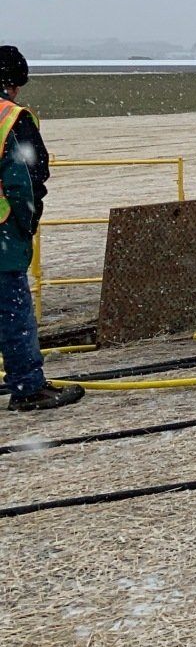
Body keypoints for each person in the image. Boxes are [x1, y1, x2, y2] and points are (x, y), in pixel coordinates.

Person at [1, 46, 84, 411]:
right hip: (3, 234)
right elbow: (26, 181)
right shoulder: (10, 117)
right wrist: (28, 221)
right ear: (14, 84)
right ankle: (28, 388)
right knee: (13, 313)